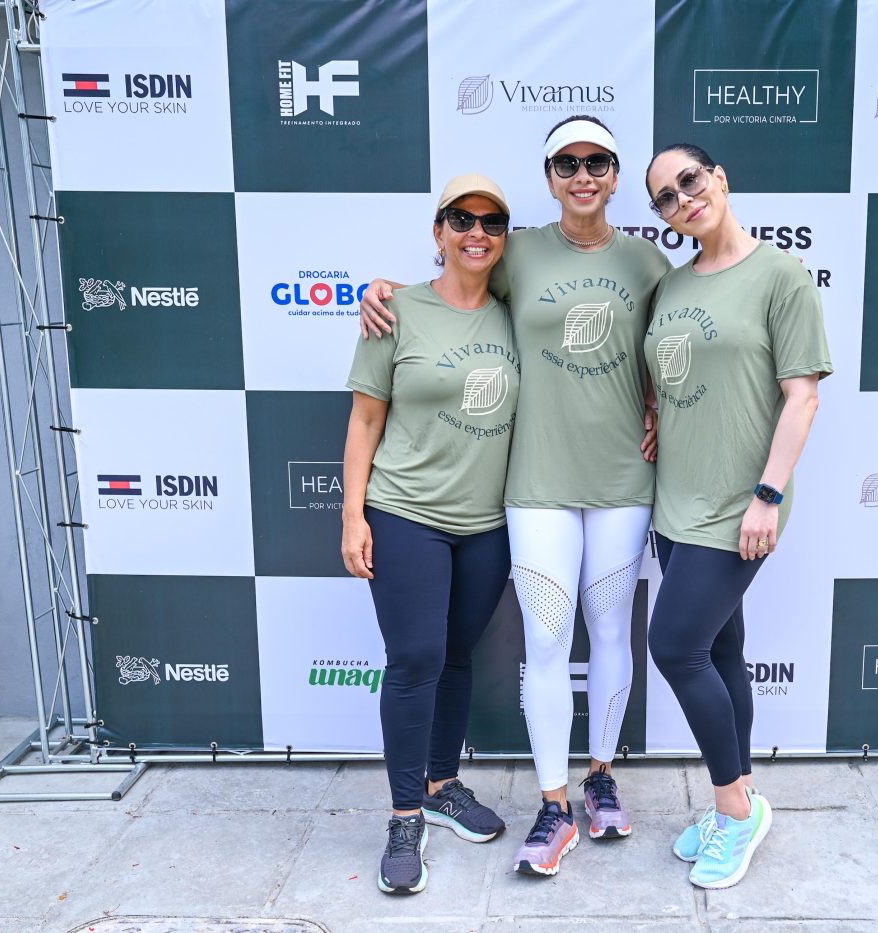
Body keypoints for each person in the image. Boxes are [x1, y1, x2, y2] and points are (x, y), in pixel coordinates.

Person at [360, 116, 671, 876]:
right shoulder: (519, 249)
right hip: (533, 486)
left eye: (597, 160)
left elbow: (681, 343)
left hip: (622, 481)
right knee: (545, 641)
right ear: (550, 175)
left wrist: (662, 405)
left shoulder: (648, 261)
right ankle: (554, 801)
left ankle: (600, 775)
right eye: (568, 162)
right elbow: (453, 287)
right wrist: (383, 290)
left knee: (611, 631)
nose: (583, 173)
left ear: (616, 173)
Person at [642, 143, 832, 889]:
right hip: (676, 502)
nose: (682, 198)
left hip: (739, 507)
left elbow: (803, 395)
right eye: (664, 197)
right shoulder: (673, 284)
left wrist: (768, 495)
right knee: (721, 651)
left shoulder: (780, 275)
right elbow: (673, 374)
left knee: (674, 644)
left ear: (720, 177)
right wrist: (655, 413)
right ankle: (742, 795)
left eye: (690, 180)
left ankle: (733, 811)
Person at [341, 173, 520, 895]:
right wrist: (352, 513)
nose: (476, 232)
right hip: (407, 512)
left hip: (489, 523)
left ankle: (445, 782)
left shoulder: (518, 313)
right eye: (460, 218)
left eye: (492, 221)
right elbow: (364, 420)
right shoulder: (396, 311)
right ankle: (404, 813)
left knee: (455, 656)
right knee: (415, 657)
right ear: (438, 231)